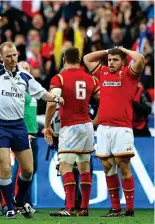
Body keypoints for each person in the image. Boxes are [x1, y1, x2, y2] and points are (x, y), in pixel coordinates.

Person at [0, 8, 64, 219]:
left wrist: (56, 98)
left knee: (28, 170)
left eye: (14, 55)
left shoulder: (25, 77)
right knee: (4, 168)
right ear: (1, 58)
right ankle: (10, 206)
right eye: (8, 56)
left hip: (19, 125)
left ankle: (20, 200)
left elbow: (42, 94)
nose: (12, 58)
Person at [83, 46, 145, 217]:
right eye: (110, 60)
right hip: (103, 128)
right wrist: (109, 51)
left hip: (121, 128)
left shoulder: (129, 74)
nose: (111, 63)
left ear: (123, 61)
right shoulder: (102, 72)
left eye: (115, 60)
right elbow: (87, 58)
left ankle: (130, 208)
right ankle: (116, 208)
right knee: (107, 167)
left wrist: (123, 50)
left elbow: (140, 59)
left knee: (123, 165)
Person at [44, 47, 100, 217]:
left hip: (70, 127)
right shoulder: (91, 79)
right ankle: (83, 208)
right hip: (87, 127)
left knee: (65, 165)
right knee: (84, 166)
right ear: (80, 59)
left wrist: (47, 125)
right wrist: (95, 121)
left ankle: (68, 207)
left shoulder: (59, 78)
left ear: (63, 60)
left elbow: (52, 103)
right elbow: (105, 100)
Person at [11, 61, 38, 210]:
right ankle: (17, 202)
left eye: (28, 68)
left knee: (31, 169)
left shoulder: (33, 89)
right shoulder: (17, 88)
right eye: (23, 68)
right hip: (23, 133)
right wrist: (23, 132)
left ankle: (26, 201)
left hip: (33, 133)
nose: (26, 70)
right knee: (20, 169)